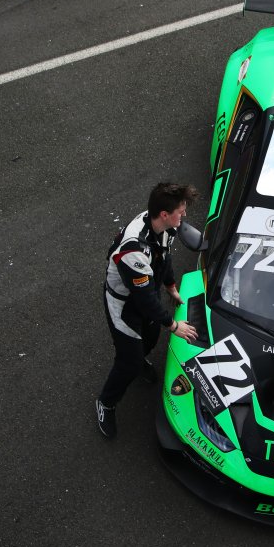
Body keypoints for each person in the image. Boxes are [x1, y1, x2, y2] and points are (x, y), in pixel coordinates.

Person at [97, 183, 200, 438]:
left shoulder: (163, 227)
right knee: (128, 362)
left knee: (151, 336)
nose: (184, 215)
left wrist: (171, 287)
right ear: (164, 214)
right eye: (180, 211)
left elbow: (164, 258)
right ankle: (106, 403)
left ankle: (139, 357)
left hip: (145, 294)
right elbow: (144, 301)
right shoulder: (133, 251)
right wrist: (174, 326)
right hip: (124, 305)